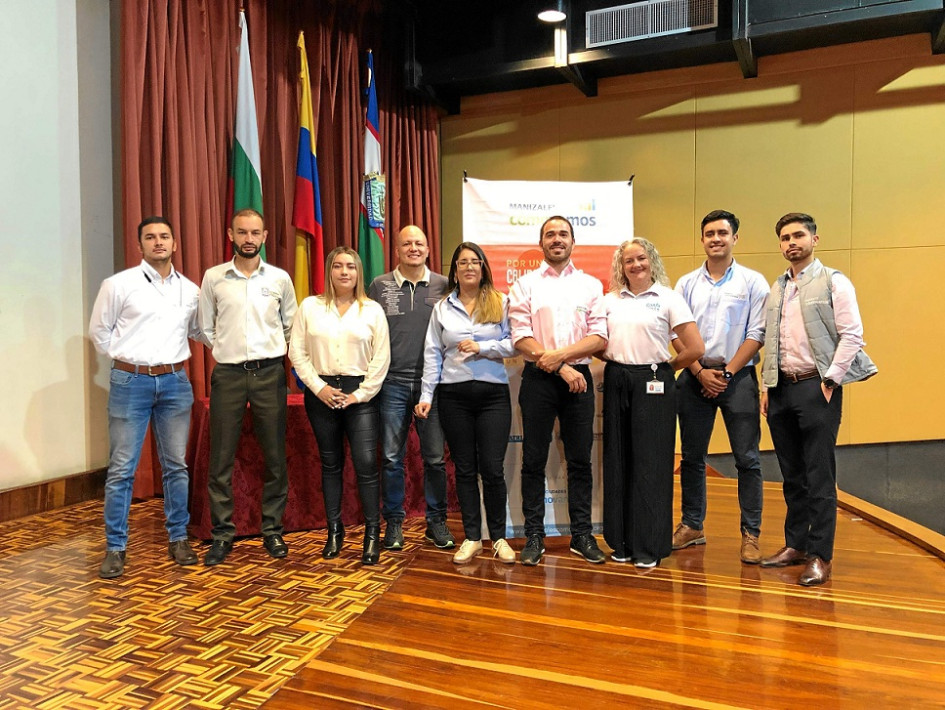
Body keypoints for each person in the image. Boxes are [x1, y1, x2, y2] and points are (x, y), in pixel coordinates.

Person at [760, 213, 876, 586]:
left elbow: (852, 334)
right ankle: (795, 544)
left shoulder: (834, 282)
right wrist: (766, 386)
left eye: (798, 235)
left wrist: (829, 381)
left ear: (815, 239)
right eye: (785, 237)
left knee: (819, 475)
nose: (791, 242)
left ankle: (820, 556)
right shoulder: (777, 287)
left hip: (816, 387)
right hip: (781, 389)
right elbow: (772, 342)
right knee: (791, 475)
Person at [89, 216, 201, 579]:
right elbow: (99, 332)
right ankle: (116, 547)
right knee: (122, 468)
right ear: (139, 246)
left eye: (164, 236)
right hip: (130, 381)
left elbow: (200, 331)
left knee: (176, 466)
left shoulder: (190, 289)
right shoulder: (118, 284)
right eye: (150, 237)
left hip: (174, 382)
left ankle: (178, 538)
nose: (158, 242)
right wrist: (128, 360)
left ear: (174, 244)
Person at [197, 208, 298, 566]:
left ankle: (272, 530)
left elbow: (291, 328)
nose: (249, 239)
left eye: (255, 233)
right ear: (231, 235)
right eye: (242, 232)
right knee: (221, 458)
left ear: (265, 236)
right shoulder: (213, 278)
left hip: (271, 374)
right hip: (228, 375)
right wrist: (229, 351)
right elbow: (204, 328)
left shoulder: (280, 279)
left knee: (274, 456)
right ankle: (223, 534)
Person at [508, 216, 608, 566]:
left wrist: (564, 359)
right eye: (550, 234)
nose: (557, 239)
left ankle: (581, 535)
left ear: (573, 242)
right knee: (533, 460)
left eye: (563, 234)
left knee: (580, 460)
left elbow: (599, 338)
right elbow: (520, 337)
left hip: (579, 380)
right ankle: (534, 535)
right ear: (542, 243)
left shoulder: (591, 285)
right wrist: (561, 366)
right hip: (539, 380)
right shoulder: (525, 285)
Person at [673, 210, 770, 563]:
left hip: (738, 378)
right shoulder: (685, 284)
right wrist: (699, 372)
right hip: (694, 375)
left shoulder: (753, 282)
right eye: (709, 233)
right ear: (702, 239)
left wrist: (726, 374)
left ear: (735, 238)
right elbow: (675, 332)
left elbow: (756, 334)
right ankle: (692, 525)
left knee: (747, 459)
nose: (716, 238)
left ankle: (751, 534)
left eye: (722, 233)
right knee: (692, 457)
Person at [601, 238, 704, 568]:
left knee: (651, 465)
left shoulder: (669, 298)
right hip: (617, 379)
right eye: (628, 261)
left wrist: (663, 369)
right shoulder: (609, 301)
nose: (635, 265)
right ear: (621, 267)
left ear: (651, 261)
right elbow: (596, 341)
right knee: (619, 461)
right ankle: (622, 542)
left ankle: (649, 546)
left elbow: (695, 348)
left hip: (654, 383)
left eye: (641, 258)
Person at [415, 243, 516, 565]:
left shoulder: (501, 302)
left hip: (493, 395)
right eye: (462, 263)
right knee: (465, 469)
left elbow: (516, 343)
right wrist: (426, 395)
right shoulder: (443, 308)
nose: (469, 267)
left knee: (492, 469)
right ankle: (473, 537)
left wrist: (484, 347)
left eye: (475, 262)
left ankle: (498, 537)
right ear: (454, 270)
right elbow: (432, 352)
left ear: (484, 267)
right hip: (454, 395)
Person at [289, 247, 390, 565]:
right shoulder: (309, 307)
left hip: (361, 395)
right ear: (329, 271)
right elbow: (297, 353)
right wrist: (318, 388)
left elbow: (381, 359)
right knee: (330, 464)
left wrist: (359, 395)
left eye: (351, 267)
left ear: (359, 273)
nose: (344, 272)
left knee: (365, 465)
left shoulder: (372, 310)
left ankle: (372, 534)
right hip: (321, 394)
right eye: (337, 266)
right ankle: (335, 531)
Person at [368, 226, 453, 551]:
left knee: (434, 458)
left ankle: (436, 522)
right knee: (391, 458)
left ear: (429, 249)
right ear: (397, 249)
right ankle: (394, 525)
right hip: (391, 385)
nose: (413, 248)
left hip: (432, 385)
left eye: (419, 243)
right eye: (407, 243)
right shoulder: (379, 285)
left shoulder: (444, 286)